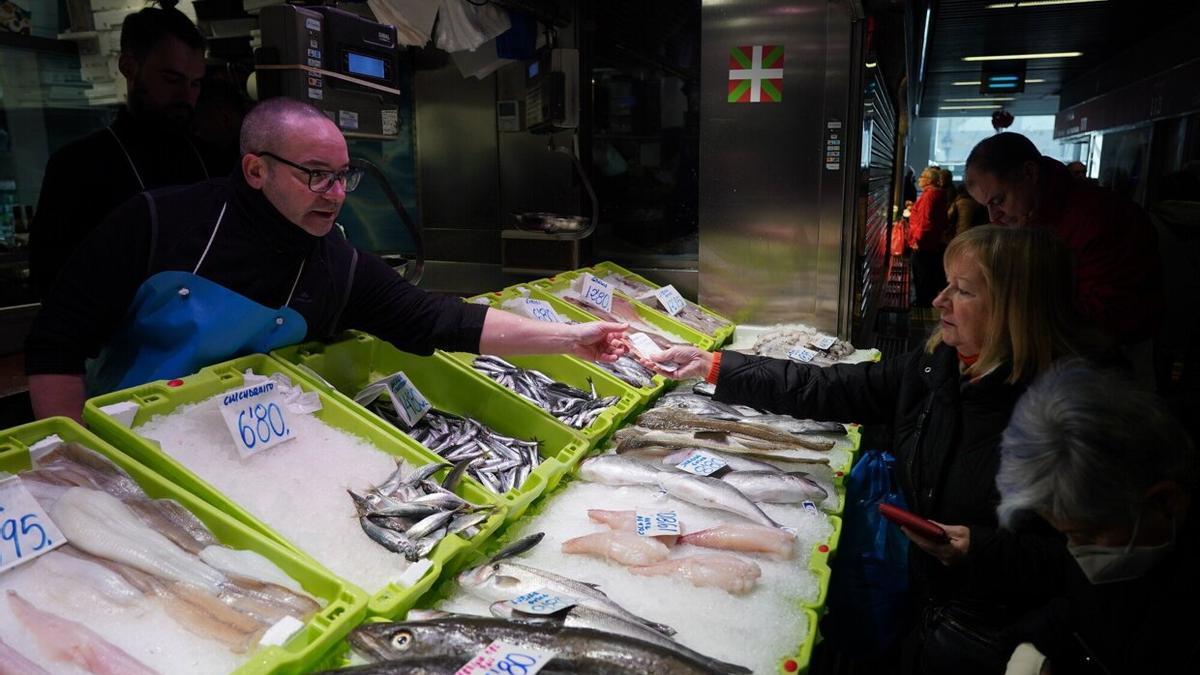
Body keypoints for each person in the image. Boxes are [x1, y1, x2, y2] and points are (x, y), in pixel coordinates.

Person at [646, 226, 1103, 675]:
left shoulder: (1072, 414)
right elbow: (824, 385)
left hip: (1004, 638)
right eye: (946, 284)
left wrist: (979, 550)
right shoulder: (937, 364)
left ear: (1014, 310)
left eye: (962, 291)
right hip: (927, 608)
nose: (939, 300)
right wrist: (715, 367)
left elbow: (1091, 566)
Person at [24, 98, 627, 422]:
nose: (336, 194)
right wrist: (74, 452)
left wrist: (570, 338)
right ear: (256, 170)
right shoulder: (158, 222)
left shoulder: (334, 261)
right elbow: (56, 342)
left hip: (239, 445)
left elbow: (439, 320)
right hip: (123, 433)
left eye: (344, 177)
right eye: (316, 176)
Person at [996, 363, 1196, 674]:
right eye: (1066, 535)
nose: (1076, 551)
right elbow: (1078, 607)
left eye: (1087, 536)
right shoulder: (1120, 526)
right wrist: (1032, 650)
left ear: (1164, 501)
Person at [29, 0, 217, 297]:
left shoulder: (212, 159)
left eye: (195, 84)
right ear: (129, 66)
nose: (186, 96)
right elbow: (51, 281)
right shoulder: (77, 166)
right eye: (171, 79)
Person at [963, 132, 1163, 345]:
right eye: (986, 206)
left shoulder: (1100, 219)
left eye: (999, 200)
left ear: (1030, 173)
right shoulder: (1026, 218)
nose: (994, 217)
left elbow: (1108, 318)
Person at [906, 167, 951, 306]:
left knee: (921, 274)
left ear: (929, 180)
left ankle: (922, 302)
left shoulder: (929, 195)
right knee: (927, 273)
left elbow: (925, 221)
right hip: (932, 242)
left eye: (922, 176)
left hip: (923, 243)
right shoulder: (939, 195)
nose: (919, 179)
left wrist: (917, 240)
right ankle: (926, 300)